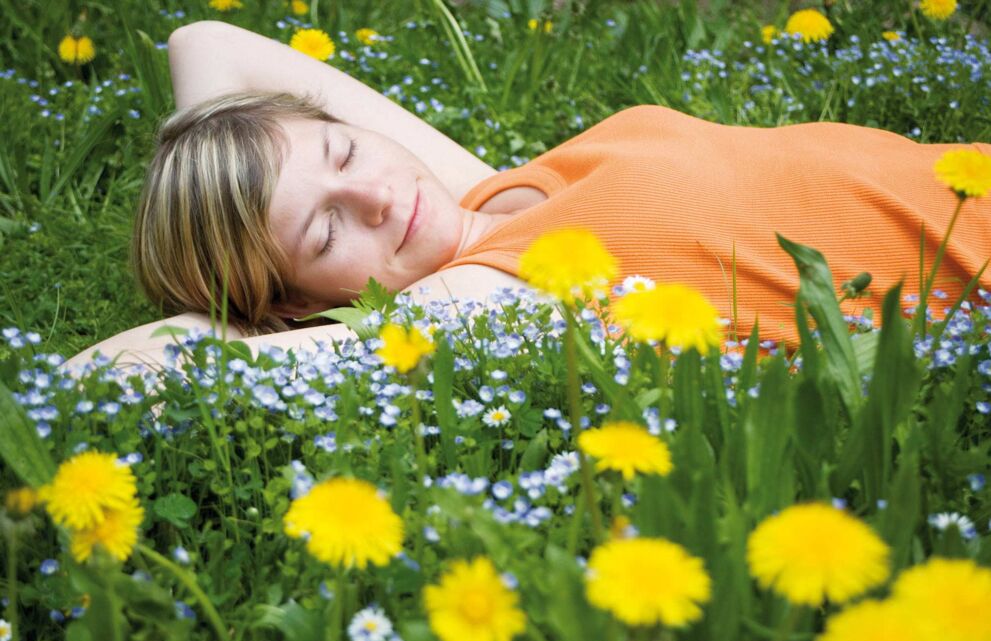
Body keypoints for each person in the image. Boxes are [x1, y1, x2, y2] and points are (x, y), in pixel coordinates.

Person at [65, 21, 991, 370]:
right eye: (325, 229)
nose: (377, 194)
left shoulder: (484, 196)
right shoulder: (487, 298)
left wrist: (226, 176)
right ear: (302, 303)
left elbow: (203, 42)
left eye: (344, 151)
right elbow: (101, 379)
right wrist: (244, 319)